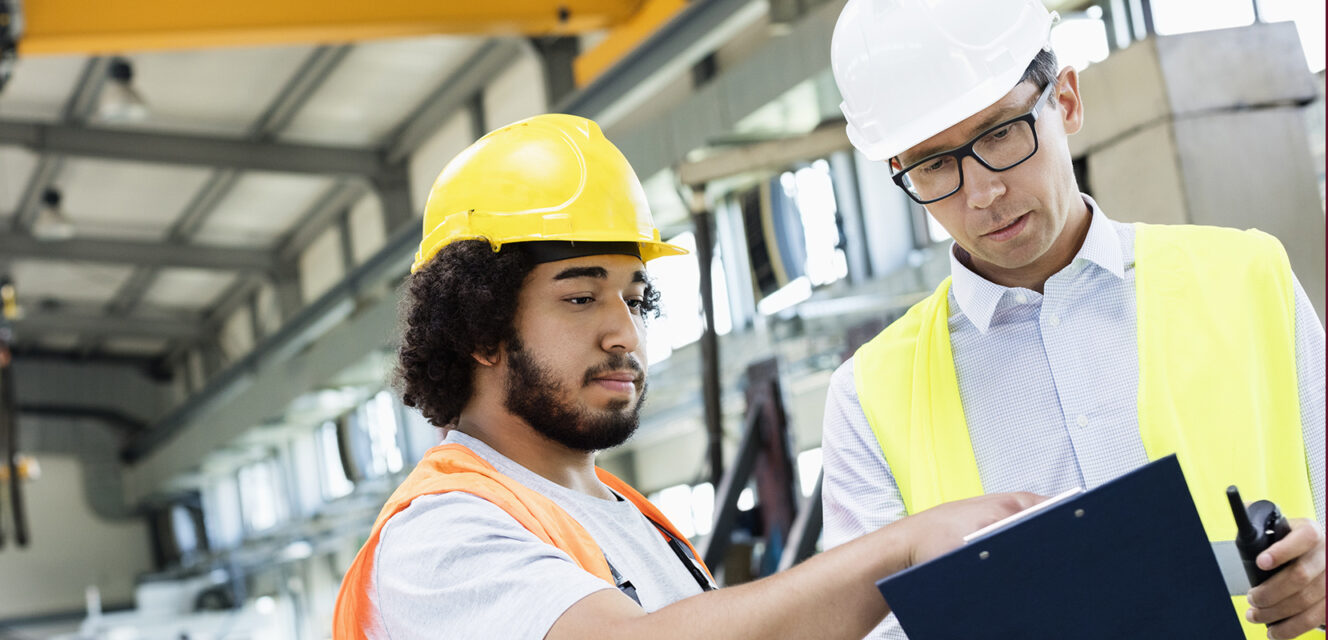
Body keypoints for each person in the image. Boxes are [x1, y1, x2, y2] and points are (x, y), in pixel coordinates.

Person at [331, 113, 1045, 640]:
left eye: (637, 299)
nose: (625, 333)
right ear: (479, 328)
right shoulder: (440, 536)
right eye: (581, 298)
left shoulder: (623, 516)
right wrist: (901, 547)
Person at [820, 1, 1326, 639]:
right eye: (934, 164)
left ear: (1067, 99)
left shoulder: (1249, 278)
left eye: (1001, 133)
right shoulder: (868, 400)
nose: (981, 193)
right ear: (901, 173)